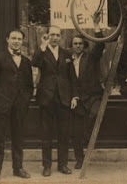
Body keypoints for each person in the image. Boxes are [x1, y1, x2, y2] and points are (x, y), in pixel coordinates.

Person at [0, 29, 34, 183]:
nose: (16, 41)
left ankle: (18, 168)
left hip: (19, 106)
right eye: (13, 38)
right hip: (1, 105)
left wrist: (25, 101)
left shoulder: (26, 61)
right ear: (7, 39)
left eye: (19, 39)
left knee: (18, 138)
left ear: (22, 41)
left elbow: (29, 85)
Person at [32, 26, 78, 177]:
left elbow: (72, 77)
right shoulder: (43, 51)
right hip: (46, 98)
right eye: (52, 35)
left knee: (63, 133)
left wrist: (74, 96)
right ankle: (46, 166)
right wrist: (42, 46)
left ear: (61, 37)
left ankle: (63, 164)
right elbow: (35, 62)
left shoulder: (66, 54)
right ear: (47, 36)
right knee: (46, 134)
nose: (54, 38)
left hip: (64, 98)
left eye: (57, 35)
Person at [70, 12, 105, 169]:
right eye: (75, 44)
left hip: (93, 96)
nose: (78, 46)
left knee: (94, 114)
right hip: (77, 99)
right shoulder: (67, 60)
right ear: (72, 46)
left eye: (80, 44)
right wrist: (73, 96)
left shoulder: (90, 57)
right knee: (76, 131)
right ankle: (80, 158)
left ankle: (87, 139)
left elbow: (100, 46)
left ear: (84, 45)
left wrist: (96, 26)